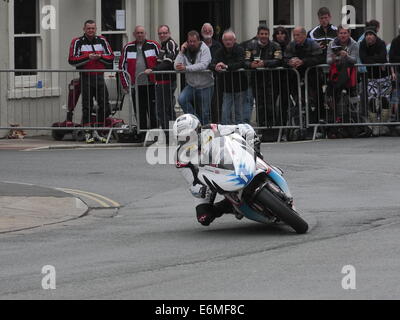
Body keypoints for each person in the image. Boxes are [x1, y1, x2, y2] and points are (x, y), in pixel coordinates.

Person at [173, 114, 261, 227]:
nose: (187, 140)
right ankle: (231, 206)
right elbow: (192, 181)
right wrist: (200, 189)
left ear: (198, 129)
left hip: (232, 161)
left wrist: (253, 144)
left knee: (257, 156)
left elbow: (242, 128)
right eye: (182, 138)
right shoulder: (180, 156)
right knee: (203, 217)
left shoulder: (211, 129)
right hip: (209, 180)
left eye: (189, 135)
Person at [68, 19, 114, 143]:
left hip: (99, 76)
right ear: (84, 29)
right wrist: (88, 57)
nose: (91, 31)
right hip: (85, 77)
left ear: (96, 29)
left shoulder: (102, 40)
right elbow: (72, 60)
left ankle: (98, 131)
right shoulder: (77, 41)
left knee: (104, 105)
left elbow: (111, 57)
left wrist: (100, 57)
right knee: (87, 106)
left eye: (93, 28)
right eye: (88, 28)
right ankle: (88, 132)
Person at [243, 25, 282, 140]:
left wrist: (264, 63)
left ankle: (272, 132)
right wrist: (251, 64)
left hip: (271, 81)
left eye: (266, 34)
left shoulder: (275, 45)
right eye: (262, 34)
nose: (264, 36)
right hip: (256, 81)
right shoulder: (251, 46)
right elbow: (245, 61)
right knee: (260, 106)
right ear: (258, 34)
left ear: (268, 34)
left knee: (271, 106)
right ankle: (261, 131)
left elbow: (278, 60)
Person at [119, 26, 160, 136]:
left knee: (153, 111)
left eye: (142, 32)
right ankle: (142, 134)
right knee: (139, 111)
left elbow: (160, 63)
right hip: (136, 86)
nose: (140, 35)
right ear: (134, 34)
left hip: (151, 84)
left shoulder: (153, 45)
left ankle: (155, 135)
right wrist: (126, 84)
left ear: (145, 33)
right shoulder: (128, 47)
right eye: (138, 33)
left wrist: (158, 81)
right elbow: (122, 67)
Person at [326, 26, 364, 138]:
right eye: (341, 33)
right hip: (336, 76)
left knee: (353, 101)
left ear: (349, 34)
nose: (343, 35)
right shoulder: (332, 43)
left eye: (345, 33)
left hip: (351, 76)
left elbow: (354, 60)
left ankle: (355, 125)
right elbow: (327, 60)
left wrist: (346, 56)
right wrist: (334, 58)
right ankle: (336, 126)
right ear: (337, 34)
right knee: (334, 100)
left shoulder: (354, 44)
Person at [285, 27, 324, 133]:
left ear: (304, 35)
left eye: (298, 35)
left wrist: (303, 61)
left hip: (312, 77)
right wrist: (290, 62)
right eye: (294, 35)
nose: (296, 38)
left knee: (315, 101)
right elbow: (284, 59)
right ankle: (298, 124)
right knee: (297, 101)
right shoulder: (291, 45)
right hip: (296, 78)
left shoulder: (313, 44)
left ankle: (316, 125)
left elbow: (320, 58)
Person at [144, 25, 179, 131]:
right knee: (166, 109)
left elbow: (169, 60)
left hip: (166, 81)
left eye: (165, 33)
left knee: (163, 110)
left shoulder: (170, 43)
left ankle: (170, 135)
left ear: (169, 33)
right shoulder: (163, 45)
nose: (162, 35)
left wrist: (153, 70)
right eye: (160, 33)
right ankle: (171, 135)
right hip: (161, 81)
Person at [175, 30, 214, 124]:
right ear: (187, 42)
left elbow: (203, 65)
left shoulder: (205, 49)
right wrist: (181, 52)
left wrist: (186, 68)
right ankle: (196, 122)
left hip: (206, 85)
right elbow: (176, 66)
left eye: (194, 41)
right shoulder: (185, 51)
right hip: (192, 85)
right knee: (181, 99)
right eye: (190, 41)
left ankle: (204, 132)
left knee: (205, 112)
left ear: (199, 41)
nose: (192, 43)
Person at [209, 30, 248, 125]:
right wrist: (216, 66)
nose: (228, 42)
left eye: (230, 39)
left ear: (234, 40)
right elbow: (211, 64)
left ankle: (241, 134)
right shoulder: (220, 51)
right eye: (226, 40)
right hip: (226, 87)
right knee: (225, 113)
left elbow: (241, 63)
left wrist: (226, 66)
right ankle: (227, 134)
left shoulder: (240, 49)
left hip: (240, 86)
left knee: (239, 113)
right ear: (222, 41)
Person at [359, 26, 392, 136]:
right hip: (371, 78)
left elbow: (383, 58)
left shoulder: (381, 43)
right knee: (371, 101)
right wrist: (375, 59)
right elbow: (363, 59)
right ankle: (375, 126)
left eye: (371, 34)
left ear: (375, 36)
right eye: (367, 34)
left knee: (384, 100)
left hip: (384, 77)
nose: (369, 36)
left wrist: (371, 59)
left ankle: (383, 125)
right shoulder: (363, 44)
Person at [201, 23, 223, 124]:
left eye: (209, 30)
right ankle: (204, 127)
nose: (207, 32)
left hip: (216, 79)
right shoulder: (198, 45)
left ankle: (216, 127)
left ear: (213, 32)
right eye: (205, 30)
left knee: (216, 105)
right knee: (203, 106)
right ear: (202, 33)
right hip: (202, 80)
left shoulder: (218, 45)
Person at [389, 25, 400, 123]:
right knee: (396, 97)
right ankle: (396, 118)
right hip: (398, 72)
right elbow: (392, 58)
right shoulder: (395, 41)